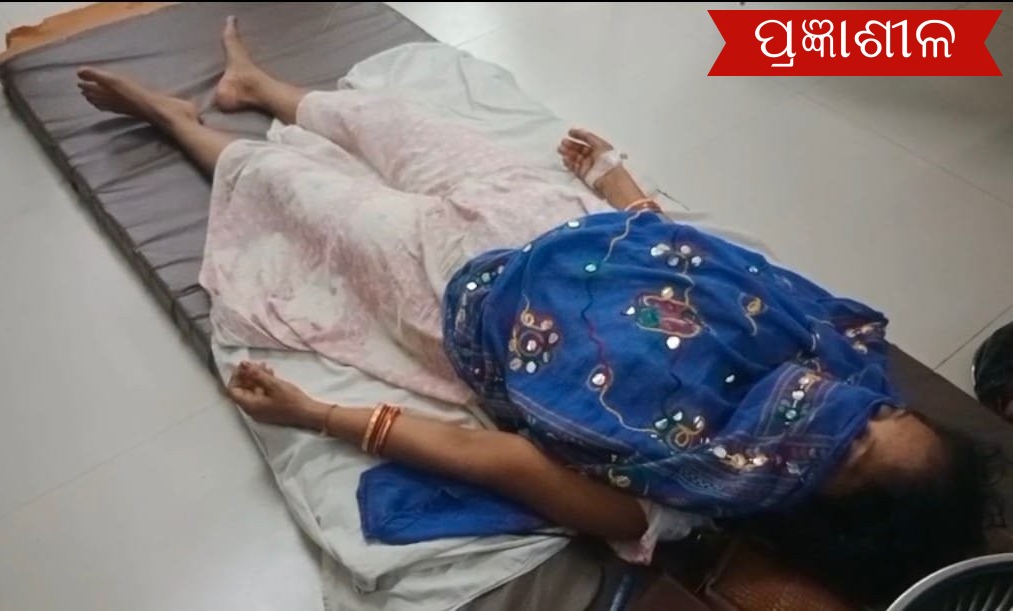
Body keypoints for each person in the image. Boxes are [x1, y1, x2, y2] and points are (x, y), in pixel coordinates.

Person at [77, 17, 1000, 604]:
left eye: (852, 447)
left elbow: (498, 458)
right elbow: (696, 269)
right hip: (558, 221)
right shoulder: (818, 348)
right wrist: (618, 183)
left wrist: (315, 412)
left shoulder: (669, 498)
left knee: (296, 191)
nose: (849, 407)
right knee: (394, 125)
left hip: (451, 290)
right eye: (883, 411)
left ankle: (181, 122)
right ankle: (259, 88)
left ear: (815, 504)